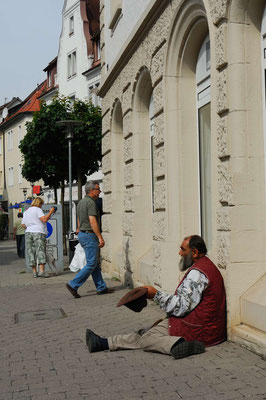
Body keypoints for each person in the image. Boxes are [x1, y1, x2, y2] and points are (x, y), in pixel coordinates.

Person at [85, 235, 226, 360]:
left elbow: (181, 307)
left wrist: (155, 295)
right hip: (203, 326)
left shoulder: (198, 274)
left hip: (199, 329)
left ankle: (178, 344)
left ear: (194, 252)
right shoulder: (204, 266)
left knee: (149, 338)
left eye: (183, 249)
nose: (180, 253)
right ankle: (104, 343)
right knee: (148, 331)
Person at [65, 180, 108, 298]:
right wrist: (100, 237)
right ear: (91, 190)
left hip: (83, 234)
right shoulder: (91, 203)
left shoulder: (81, 203)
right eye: (98, 189)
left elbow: (79, 218)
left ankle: (101, 287)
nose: (100, 191)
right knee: (91, 263)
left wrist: (79, 228)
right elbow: (92, 221)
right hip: (89, 235)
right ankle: (73, 284)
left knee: (93, 263)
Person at [22, 197, 55, 278]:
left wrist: (31, 227)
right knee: (40, 250)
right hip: (38, 232)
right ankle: (41, 271)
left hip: (28, 232)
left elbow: (23, 225)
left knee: (31, 252)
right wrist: (51, 212)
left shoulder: (26, 211)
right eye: (41, 204)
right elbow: (44, 219)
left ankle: (34, 272)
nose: (41, 206)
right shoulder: (38, 209)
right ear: (39, 203)